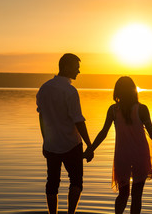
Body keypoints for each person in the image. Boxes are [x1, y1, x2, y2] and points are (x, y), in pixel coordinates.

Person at [83, 76, 152, 214]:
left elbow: (103, 133)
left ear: (117, 92)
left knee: (123, 194)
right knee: (137, 196)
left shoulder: (113, 110)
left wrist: (89, 150)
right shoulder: (142, 109)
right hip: (140, 155)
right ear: (134, 91)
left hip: (122, 156)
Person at [36, 53, 94, 214]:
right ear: (67, 67)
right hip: (71, 144)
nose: (79, 71)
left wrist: (45, 140)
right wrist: (89, 145)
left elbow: (41, 116)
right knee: (76, 182)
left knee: (52, 182)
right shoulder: (70, 91)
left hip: (51, 145)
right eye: (77, 68)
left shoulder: (44, 88)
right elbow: (78, 121)